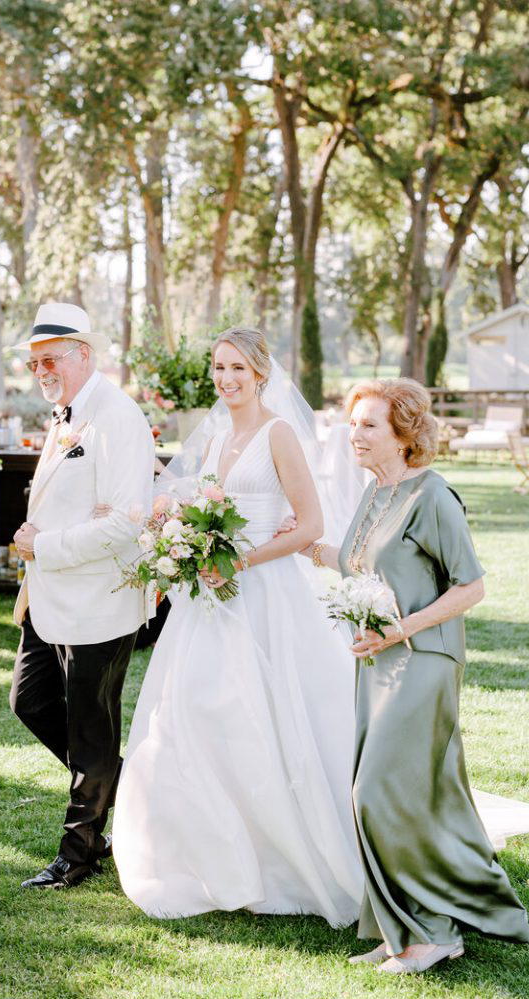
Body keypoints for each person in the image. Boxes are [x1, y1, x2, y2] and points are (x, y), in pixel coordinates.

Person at [111, 326, 364, 926]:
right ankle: (210, 853)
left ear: (260, 374)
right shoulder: (220, 434)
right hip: (209, 600)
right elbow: (187, 502)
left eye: (237, 370)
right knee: (195, 714)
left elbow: (310, 525)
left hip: (265, 595)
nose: (225, 380)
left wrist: (236, 563)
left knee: (264, 718)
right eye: (218, 369)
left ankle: (279, 857)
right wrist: (184, 546)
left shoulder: (278, 433)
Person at [299, 378, 529, 973]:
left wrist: (400, 630)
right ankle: (401, 931)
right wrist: (303, 547)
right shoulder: (375, 492)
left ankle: (435, 933)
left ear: (404, 434)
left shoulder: (431, 494)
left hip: (424, 662)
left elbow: (472, 587)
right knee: (393, 797)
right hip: (376, 664)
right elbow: (359, 559)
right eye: (353, 424)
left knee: (377, 792)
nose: (355, 434)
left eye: (369, 425)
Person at [10, 302, 154, 891]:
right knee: (30, 701)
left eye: (53, 358)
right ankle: (125, 793)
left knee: (92, 729)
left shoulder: (116, 416)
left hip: (99, 598)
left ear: (85, 354)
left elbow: (124, 523)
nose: (42, 370)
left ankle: (81, 851)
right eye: (36, 362)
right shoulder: (67, 413)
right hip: (50, 599)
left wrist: (44, 545)